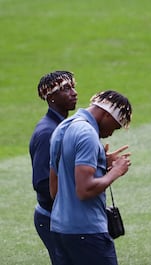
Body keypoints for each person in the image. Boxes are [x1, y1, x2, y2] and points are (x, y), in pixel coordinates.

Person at [49, 90, 133, 265]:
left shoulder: (64, 127)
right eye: (116, 126)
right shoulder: (87, 134)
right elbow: (84, 189)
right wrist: (115, 171)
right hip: (87, 232)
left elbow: (54, 187)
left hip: (60, 228)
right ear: (106, 115)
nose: (111, 133)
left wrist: (100, 162)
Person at [29, 70, 78, 264]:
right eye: (66, 89)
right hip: (53, 219)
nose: (73, 92)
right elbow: (42, 183)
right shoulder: (47, 132)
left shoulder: (62, 125)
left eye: (73, 87)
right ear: (51, 97)